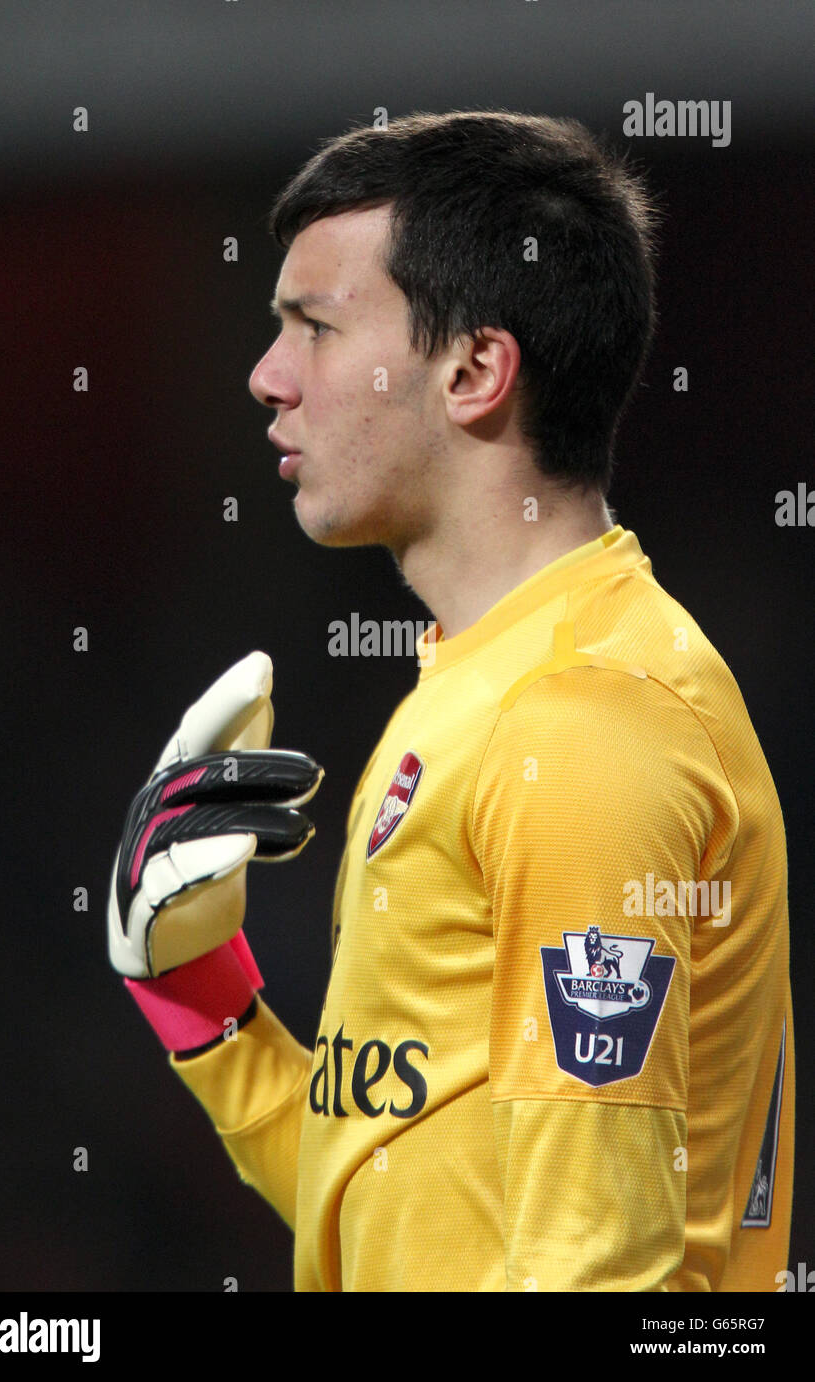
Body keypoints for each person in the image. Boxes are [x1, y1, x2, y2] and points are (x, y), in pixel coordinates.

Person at [108, 110, 794, 1291]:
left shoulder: (579, 726)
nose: (266, 377)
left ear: (474, 371)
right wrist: (196, 999)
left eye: (314, 329)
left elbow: (600, 1279)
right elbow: (396, 1211)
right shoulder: (484, 685)